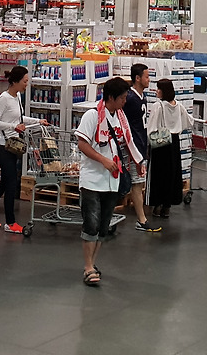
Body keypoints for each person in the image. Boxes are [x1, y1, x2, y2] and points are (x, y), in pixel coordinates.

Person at [74, 77, 142, 285]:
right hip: (92, 180)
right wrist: (102, 160)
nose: (124, 101)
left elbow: (125, 143)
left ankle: (92, 264)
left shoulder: (120, 117)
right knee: (91, 224)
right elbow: (82, 144)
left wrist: (137, 161)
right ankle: (87, 267)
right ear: (111, 97)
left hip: (112, 180)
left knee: (103, 226)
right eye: (122, 98)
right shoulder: (92, 115)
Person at [0, 66, 40, 233]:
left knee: (5, 183)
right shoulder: (4, 98)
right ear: (15, 81)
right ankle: (10, 223)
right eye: (25, 81)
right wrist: (13, 126)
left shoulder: (17, 96)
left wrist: (37, 121)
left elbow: (19, 118)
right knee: (11, 183)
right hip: (2, 146)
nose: (27, 84)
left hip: (13, 145)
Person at [145, 77, 194, 218]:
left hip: (160, 142)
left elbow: (151, 127)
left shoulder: (158, 106)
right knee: (172, 174)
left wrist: (148, 143)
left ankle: (157, 205)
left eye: (158, 89)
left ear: (163, 91)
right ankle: (167, 206)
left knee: (158, 175)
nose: (156, 91)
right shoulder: (179, 106)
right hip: (174, 142)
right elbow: (189, 121)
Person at [122, 62, 161, 233]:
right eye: (146, 76)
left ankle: (141, 218)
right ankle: (142, 219)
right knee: (137, 183)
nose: (149, 80)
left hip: (140, 145)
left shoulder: (141, 97)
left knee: (137, 183)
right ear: (137, 78)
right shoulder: (130, 99)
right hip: (132, 148)